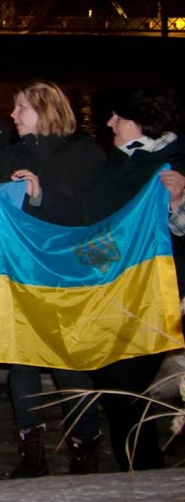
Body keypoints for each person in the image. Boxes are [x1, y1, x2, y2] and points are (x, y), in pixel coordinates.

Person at [0, 80, 106, 476]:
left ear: (46, 109)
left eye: (21, 108)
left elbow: (86, 214)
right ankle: (31, 450)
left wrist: (38, 194)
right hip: (17, 274)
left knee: (68, 360)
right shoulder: (8, 155)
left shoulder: (83, 153)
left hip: (64, 276)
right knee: (21, 360)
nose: (12, 115)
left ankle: (85, 444)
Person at [81, 84, 185, 471]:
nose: (110, 123)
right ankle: (139, 470)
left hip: (161, 295)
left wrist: (177, 204)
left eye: (118, 117)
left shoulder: (177, 162)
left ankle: (144, 470)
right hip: (115, 293)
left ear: (142, 122)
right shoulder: (117, 162)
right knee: (113, 385)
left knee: (122, 385)